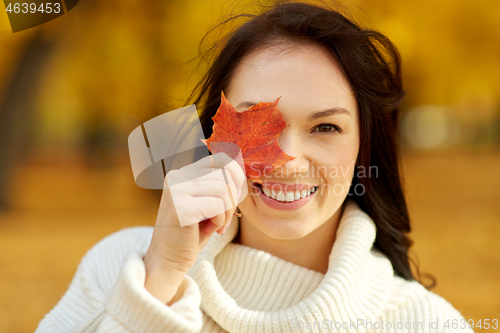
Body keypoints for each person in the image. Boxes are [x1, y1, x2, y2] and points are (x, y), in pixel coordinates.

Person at [36, 1, 473, 332]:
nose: (287, 159)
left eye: (325, 127)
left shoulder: (424, 323)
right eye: (257, 122)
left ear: (365, 145)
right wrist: (159, 280)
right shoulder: (118, 267)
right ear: (213, 134)